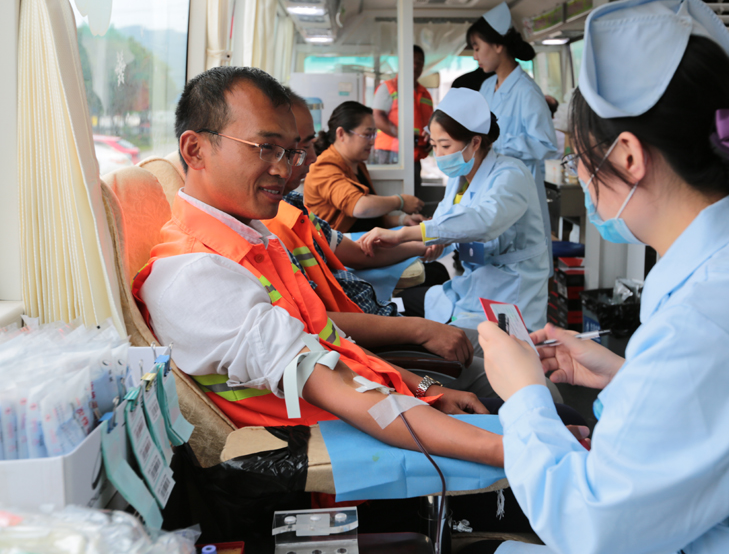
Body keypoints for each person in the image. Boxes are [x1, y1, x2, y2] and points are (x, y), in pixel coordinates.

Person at [476, 0, 729, 554]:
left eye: (581, 158)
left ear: (628, 156)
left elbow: (592, 527)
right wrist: (628, 376)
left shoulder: (711, 312)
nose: (581, 176)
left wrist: (524, 394)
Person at [131, 66, 528, 470]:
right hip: (338, 453)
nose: (285, 169)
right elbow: (338, 384)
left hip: (370, 418)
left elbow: (333, 344)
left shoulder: (254, 239)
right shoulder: (198, 276)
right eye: (265, 147)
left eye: (291, 151)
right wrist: (512, 452)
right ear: (195, 150)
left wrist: (427, 390)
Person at [263, 88, 496, 396]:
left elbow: (359, 254)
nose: (313, 157)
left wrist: (414, 238)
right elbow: (317, 325)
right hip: (370, 347)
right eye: (303, 146)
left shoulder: (295, 206)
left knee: (497, 345)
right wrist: (420, 333)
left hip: (377, 321)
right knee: (510, 376)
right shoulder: (272, 225)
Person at [358, 87, 551, 350]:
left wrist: (403, 234)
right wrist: (425, 244)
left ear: (475, 142)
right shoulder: (459, 179)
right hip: (471, 287)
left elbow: (483, 221)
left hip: (509, 295)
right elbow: (443, 228)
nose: (439, 155)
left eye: (445, 145)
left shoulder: (511, 175)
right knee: (395, 309)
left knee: (444, 346)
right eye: (434, 146)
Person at [468, 2, 558, 241]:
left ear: (498, 45)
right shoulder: (487, 86)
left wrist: (497, 143)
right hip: (490, 184)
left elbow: (546, 144)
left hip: (518, 187)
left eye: (477, 48)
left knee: (520, 251)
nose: (475, 56)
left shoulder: (527, 91)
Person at [305, 101, 425, 234]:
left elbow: (373, 220)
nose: (372, 142)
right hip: (338, 244)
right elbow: (359, 207)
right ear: (341, 134)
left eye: (374, 135)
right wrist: (400, 202)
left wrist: (404, 220)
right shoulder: (322, 167)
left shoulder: (358, 165)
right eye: (367, 135)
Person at [372, 45, 433, 196]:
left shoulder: (425, 93)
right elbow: (377, 117)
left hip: (414, 156)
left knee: (412, 198)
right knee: (389, 197)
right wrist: (404, 136)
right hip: (389, 154)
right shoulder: (388, 87)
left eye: (420, 62)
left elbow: (428, 125)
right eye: (412, 61)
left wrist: (430, 140)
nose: (415, 65)